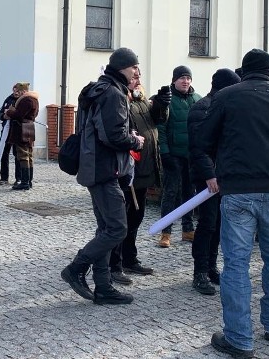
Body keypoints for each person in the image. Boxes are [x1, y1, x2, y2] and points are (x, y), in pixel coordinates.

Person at [197, 49, 269, 359]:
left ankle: (240, 339)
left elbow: (203, 141)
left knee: (236, 264)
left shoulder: (228, 96)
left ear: (244, 71)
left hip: (239, 190)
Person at [61, 47, 143, 305]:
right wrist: (136, 141)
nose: (137, 72)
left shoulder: (99, 88)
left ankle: (104, 287)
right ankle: (75, 268)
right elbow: (113, 135)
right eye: (134, 68)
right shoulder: (113, 94)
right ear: (122, 68)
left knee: (106, 228)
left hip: (95, 167)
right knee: (118, 229)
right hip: (104, 170)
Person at [108, 78, 170, 282]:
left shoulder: (141, 99)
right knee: (121, 219)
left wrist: (161, 106)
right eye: (134, 76)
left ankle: (129, 258)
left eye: (139, 76)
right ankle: (113, 264)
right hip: (128, 169)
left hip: (144, 167)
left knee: (136, 215)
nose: (138, 80)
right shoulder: (120, 100)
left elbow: (157, 121)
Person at [187, 68, 241, 296]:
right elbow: (199, 148)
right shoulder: (203, 109)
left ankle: (211, 267)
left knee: (219, 224)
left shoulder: (222, 104)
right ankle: (199, 272)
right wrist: (210, 176)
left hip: (223, 176)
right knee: (207, 224)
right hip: (207, 177)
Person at [156, 66, 201, 247]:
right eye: (182, 78)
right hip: (173, 155)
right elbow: (161, 128)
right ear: (174, 80)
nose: (185, 81)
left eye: (188, 78)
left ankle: (188, 230)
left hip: (191, 156)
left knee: (190, 194)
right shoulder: (167, 100)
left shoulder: (197, 100)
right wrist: (164, 152)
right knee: (170, 194)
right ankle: (166, 232)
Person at [5, 82, 39, 191]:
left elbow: (19, 115)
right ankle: (29, 181)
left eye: (19, 91)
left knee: (23, 155)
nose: (18, 93)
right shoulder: (34, 100)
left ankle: (25, 182)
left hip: (22, 129)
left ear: (23, 91)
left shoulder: (26, 100)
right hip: (29, 128)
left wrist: (9, 112)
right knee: (29, 155)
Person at [0, 85, 21, 185]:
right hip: (6, 130)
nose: (15, 92)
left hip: (17, 131)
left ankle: (18, 178)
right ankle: (4, 178)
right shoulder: (8, 99)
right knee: (4, 153)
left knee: (17, 154)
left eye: (17, 91)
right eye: (14, 90)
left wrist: (12, 113)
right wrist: (4, 115)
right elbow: (0, 114)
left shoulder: (22, 101)